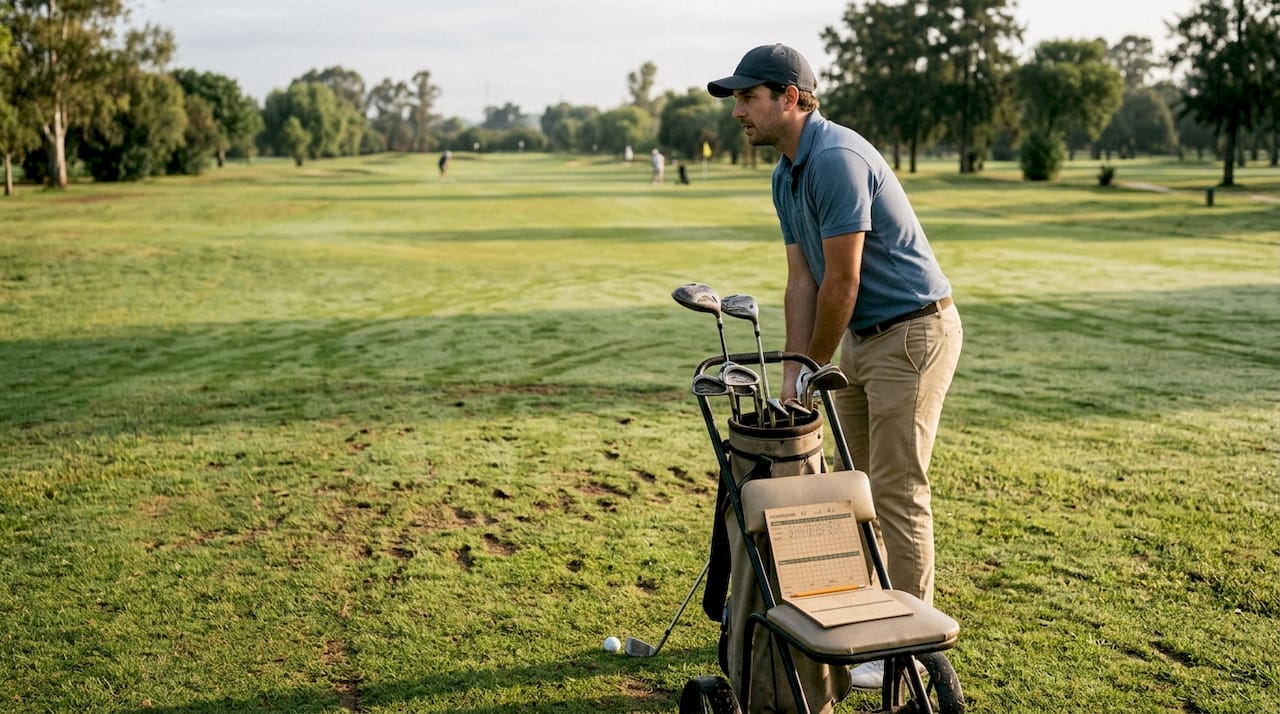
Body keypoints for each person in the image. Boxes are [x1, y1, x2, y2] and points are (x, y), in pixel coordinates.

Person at [708, 43, 963, 691]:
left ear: (790, 98)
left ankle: (904, 647)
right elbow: (802, 281)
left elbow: (842, 281)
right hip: (860, 340)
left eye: (748, 97)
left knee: (896, 491)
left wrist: (813, 362)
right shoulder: (785, 172)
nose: (738, 111)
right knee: (849, 490)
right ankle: (858, 619)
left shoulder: (835, 159)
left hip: (913, 332)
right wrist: (796, 372)